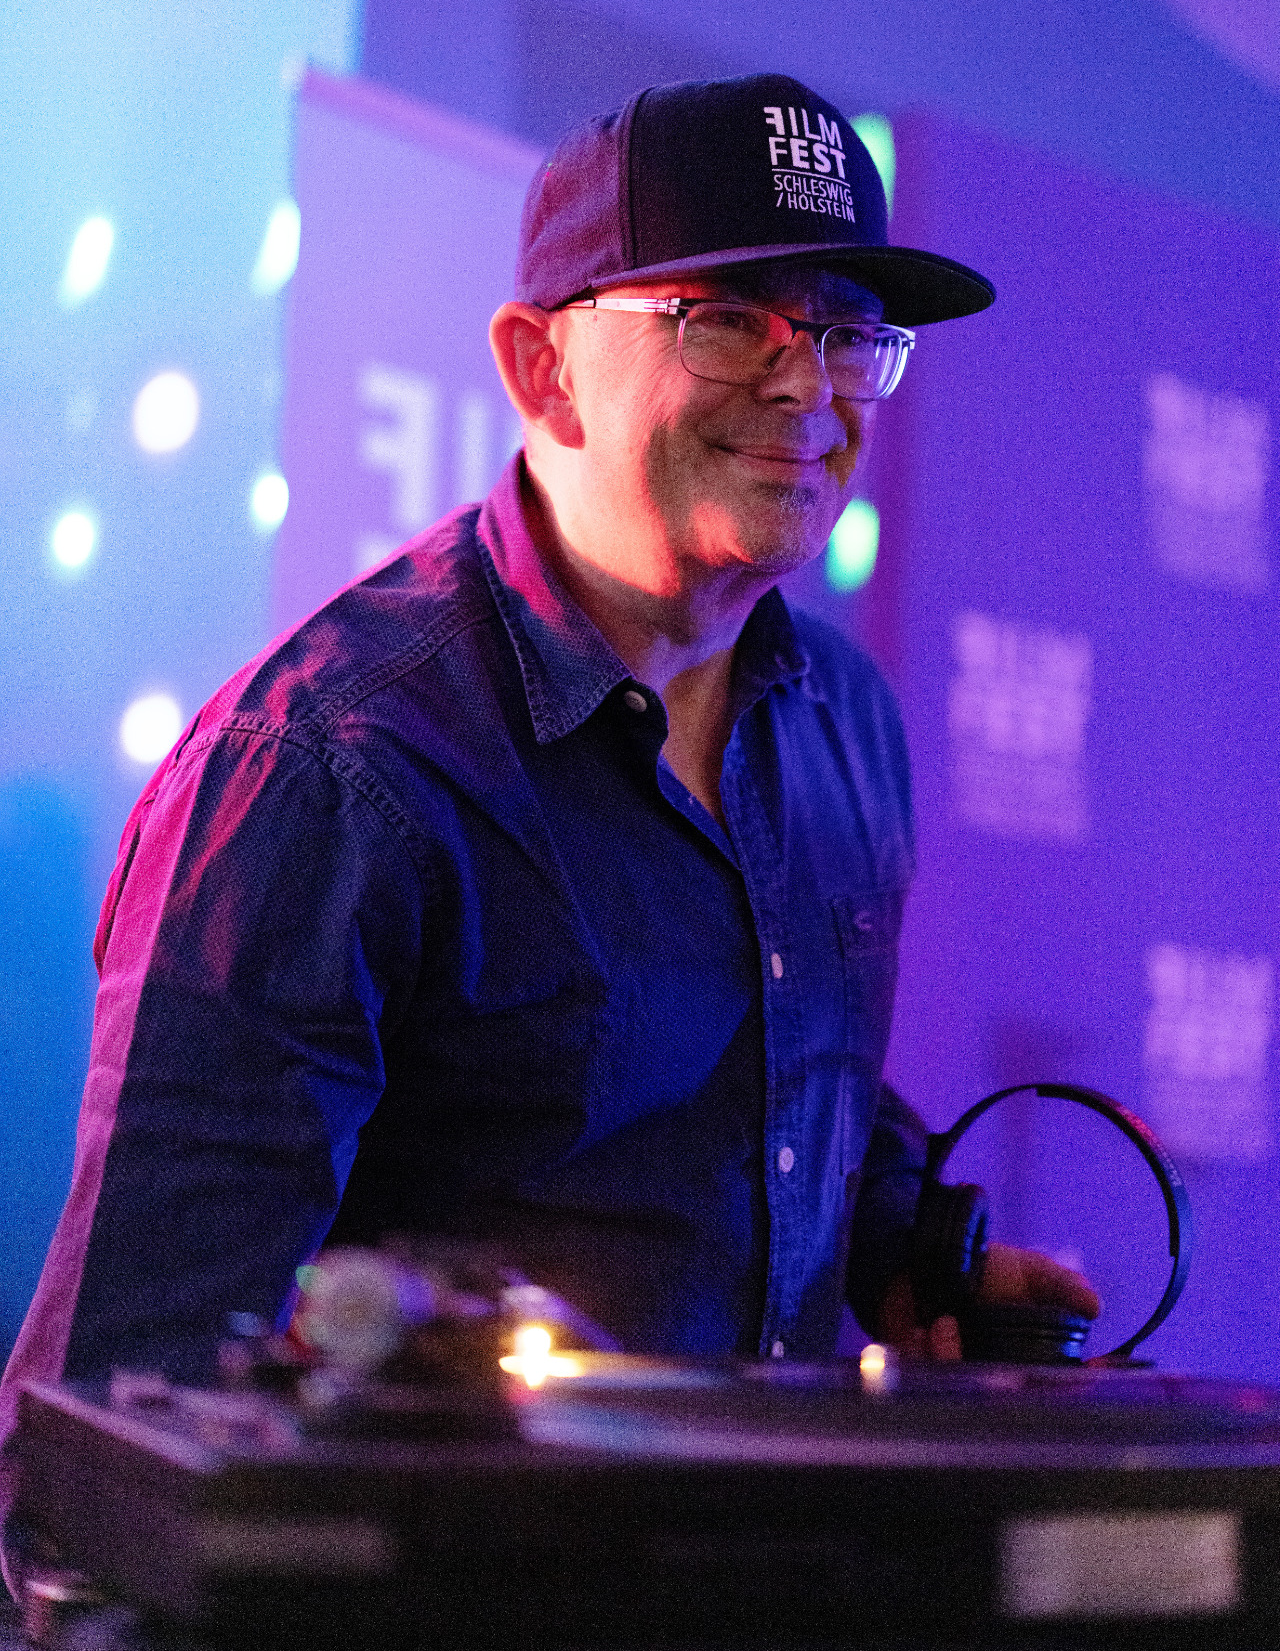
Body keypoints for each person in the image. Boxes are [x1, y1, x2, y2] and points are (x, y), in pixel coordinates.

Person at [1, 74, 1097, 1494]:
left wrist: (903, 1247)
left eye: (844, 334)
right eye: (728, 321)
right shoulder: (324, 770)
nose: (805, 387)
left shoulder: (847, 725)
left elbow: (767, 1073)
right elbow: (114, 1425)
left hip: (772, 1576)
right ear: (540, 367)